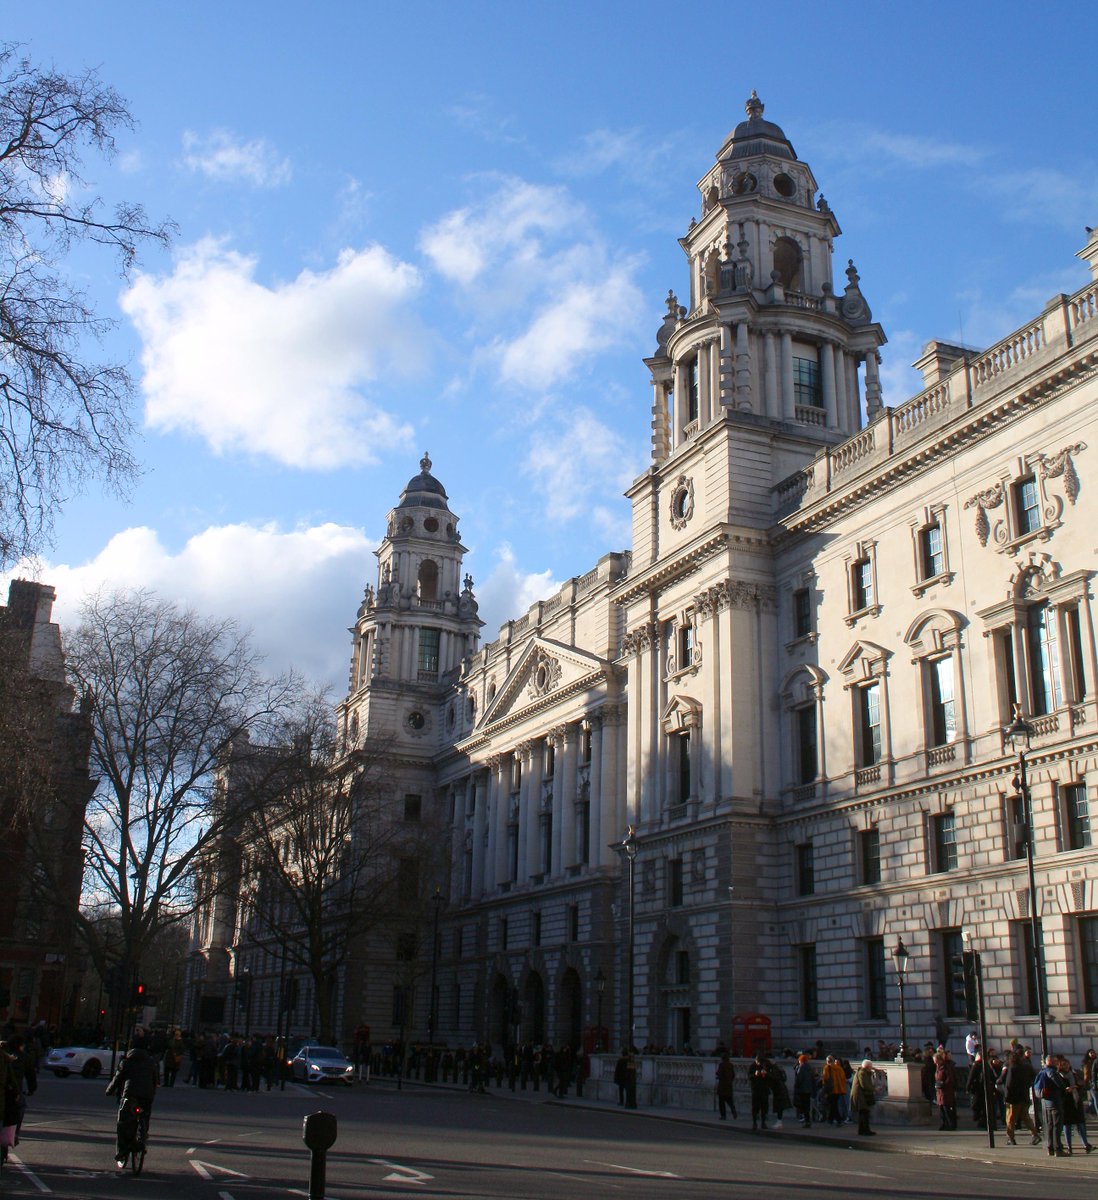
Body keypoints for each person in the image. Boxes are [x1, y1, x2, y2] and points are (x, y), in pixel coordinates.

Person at [105, 1035, 159, 1168]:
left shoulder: (127, 1061)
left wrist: (109, 1091)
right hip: (147, 1096)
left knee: (122, 1122)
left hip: (130, 1094)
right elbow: (156, 1081)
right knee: (145, 1118)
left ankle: (122, 1151)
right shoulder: (151, 1062)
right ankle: (142, 1138)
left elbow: (117, 1079)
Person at [1000, 1049, 1040, 1145]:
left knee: (1011, 1118)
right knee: (1026, 1117)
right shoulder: (1027, 1067)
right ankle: (1035, 1135)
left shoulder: (1012, 1068)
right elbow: (1034, 1078)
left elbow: (1009, 1084)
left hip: (1014, 1098)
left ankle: (1011, 1138)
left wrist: (1006, 1097)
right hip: (1024, 1095)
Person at [1033, 1053, 1067, 1156]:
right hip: (1055, 1102)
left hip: (1046, 1102)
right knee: (1057, 1126)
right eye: (1056, 1061)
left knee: (1050, 1126)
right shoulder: (1052, 1072)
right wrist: (1064, 1090)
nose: (1057, 1063)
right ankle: (1058, 1149)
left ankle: (1050, 1148)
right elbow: (1060, 1085)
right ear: (1051, 1061)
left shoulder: (1041, 1071)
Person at [1061, 1055, 1095, 1154]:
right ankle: (1069, 1147)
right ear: (1061, 1066)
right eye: (1064, 1065)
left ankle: (1085, 1144)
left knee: (1080, 1124)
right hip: (1066, 1103)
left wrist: (1079, 1085)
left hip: (1076, 1102)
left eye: (1067, 1064)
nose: (1066, 1066)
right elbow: (1059, 1089)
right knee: (1067, 1126)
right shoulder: (1059, 1076)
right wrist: (1066, 1090)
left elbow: (1082, 1084)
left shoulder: (1074, 1074)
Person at [849, 1059, 877, 1136]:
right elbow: (864, 1085)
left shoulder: (862, 1072)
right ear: (867, 1067)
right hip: (860, 1096)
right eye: (870, 1067)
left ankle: (861, 1130)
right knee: (864, 1113)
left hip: (860, 1095)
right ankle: (866, 1130)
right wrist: (874, 1089)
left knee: (862, 1113)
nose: (871, 1068)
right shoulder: (862, 1073)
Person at [934, 1049, 958, 1131]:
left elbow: (949, 1078)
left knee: (947, 1109)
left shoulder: (945, 1067)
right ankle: (944, 1124)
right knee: (942, 1110)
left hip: (946, 1091)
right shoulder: (938, 1068)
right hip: (940, 1091)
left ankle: (950, 1124)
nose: (935, 1062)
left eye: (936, 1061)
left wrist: (943, 1084)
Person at [821, 1055, 847, 1126]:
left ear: (827, 1061)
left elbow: (825, 1079)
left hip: (831, 1090)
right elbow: (843, 1079)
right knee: (834, 1104)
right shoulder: (839, 1068)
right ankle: (830, 1119)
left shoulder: (827, 1068)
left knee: (833, 1105)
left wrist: (825, 1090)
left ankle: (838, 1120)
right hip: (838, 1090)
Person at [748, 1053, 771, 1131]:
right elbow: (749, 1077)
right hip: (756, 1089)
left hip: (764, 1089)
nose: (760, 1063)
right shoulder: (752, 1067)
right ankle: (754, 1123)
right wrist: (755, 1075)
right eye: (759, 1062)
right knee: (755, 1107)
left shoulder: (765, 1065)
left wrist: (765, 1074)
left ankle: (763, 1122)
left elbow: (770, 1076)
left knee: (764, 1107)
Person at [793, 1053, 815, 1127]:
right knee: (807, 1105)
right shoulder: (810, 1068)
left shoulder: (801, 1068)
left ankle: (806, 1120)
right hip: (809, 1089)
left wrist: (796, 1086)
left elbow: (799, 1079)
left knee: (803, 1106)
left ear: (801, 1061)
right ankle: (808, 1120)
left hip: (802, 1089)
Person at [715, 1052, 737, 1120]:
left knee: (721, 1102)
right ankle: (733, 1110)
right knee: (729, 1100)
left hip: (722, 1085)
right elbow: (733, 1075)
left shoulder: (722, 1065)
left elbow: (720, 1073)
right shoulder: (731, 1065)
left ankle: (723, 1115)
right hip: (729, 1085)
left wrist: (718, 1076)